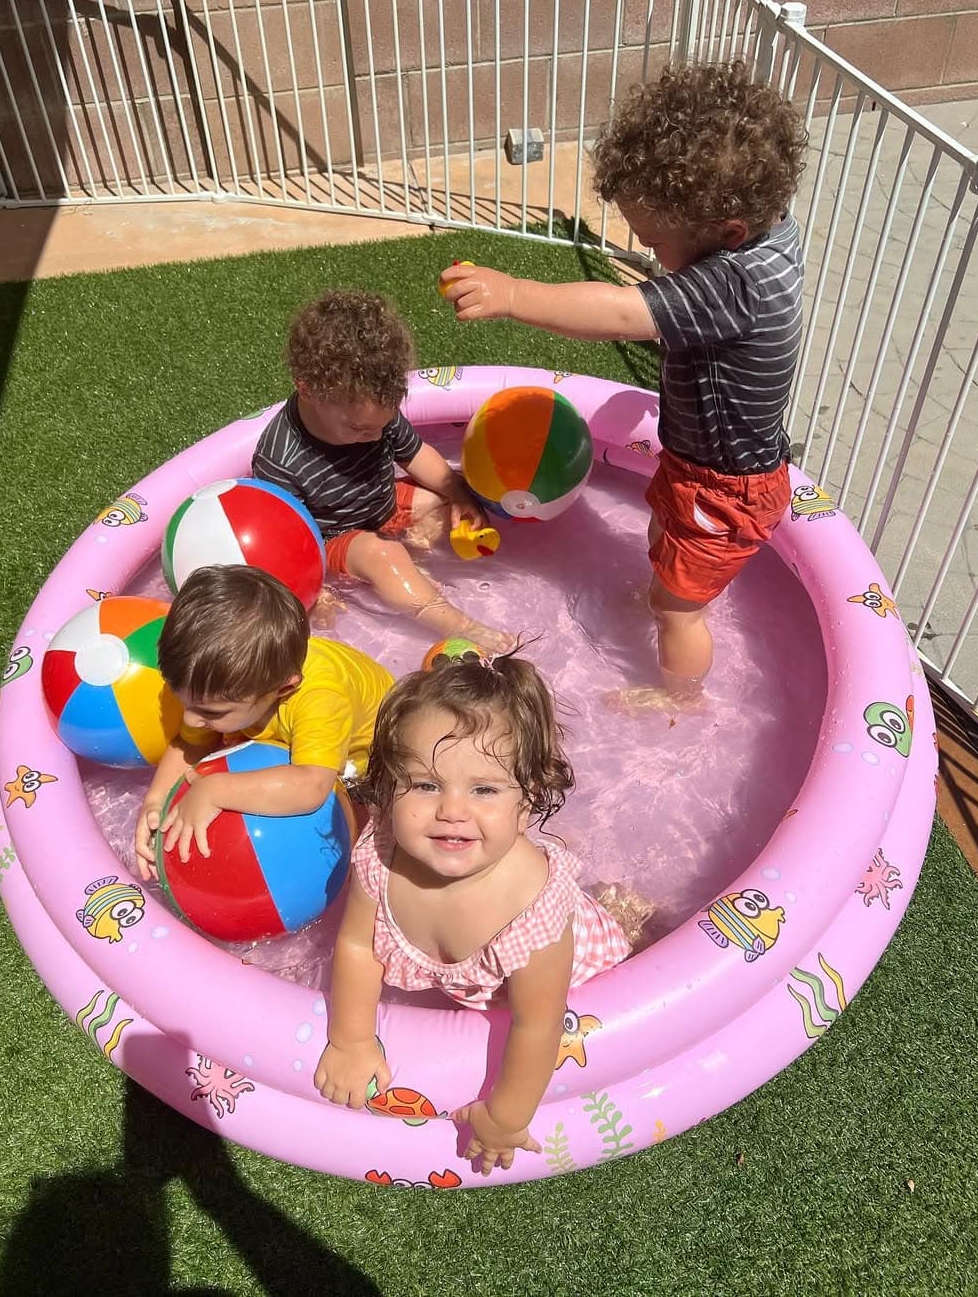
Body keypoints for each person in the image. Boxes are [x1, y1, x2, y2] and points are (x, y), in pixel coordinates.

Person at [440, 61, 808, 696]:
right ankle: (666, 585)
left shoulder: (738, 282)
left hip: (726, 487)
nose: (650, 258)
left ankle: (678, 696)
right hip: (702, 465)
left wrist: (512, 294)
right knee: (663, 537)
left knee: (679, 609)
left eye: (657, 245)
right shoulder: (772, 237)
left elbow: (617, 313)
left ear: (728, 233)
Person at [312, 652, 631, 1176]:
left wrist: (506, 1118)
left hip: (578, 979)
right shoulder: (382, 855)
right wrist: (351, 1039)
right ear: (389, 785)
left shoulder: (528, 905)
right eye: (425, 785)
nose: (452, 810)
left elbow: (538, 1022)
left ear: (528, 802)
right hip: (473, 984)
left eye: (483, 789)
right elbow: (355, 946)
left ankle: (628, 913)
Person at [252, 289, 510, 652]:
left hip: (383, 503)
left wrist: (459, 493)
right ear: (307, 389)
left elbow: (417, 454)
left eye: (382, 424)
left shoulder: (372, 407)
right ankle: (460, 625)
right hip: (334, 538)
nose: (374, 435)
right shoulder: (280, 459)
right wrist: (314, 592)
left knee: (443, 499)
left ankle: (412, 564)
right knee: (382, 556)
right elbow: (286, 544)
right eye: (359, 429)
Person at [133, 564, 393, 881]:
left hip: (373, 760)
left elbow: (313, 787)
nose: (189, 719)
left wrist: (214, 790)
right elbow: (188, 743)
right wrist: (156, 801)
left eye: (211, 713)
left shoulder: (321, 700)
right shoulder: (216, 687)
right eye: (182, 701)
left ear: (283, 689)